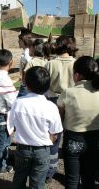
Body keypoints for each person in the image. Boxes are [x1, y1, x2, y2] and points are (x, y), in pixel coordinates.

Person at [10, 66, 63, 189]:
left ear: (26, 84)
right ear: (47, 85)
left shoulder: (18, 103)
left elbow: (12, 125)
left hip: (23, 149)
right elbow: (55, 132)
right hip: (42, 150)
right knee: (38, 183)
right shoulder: (51, 107)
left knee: (19, 178)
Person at [57, 56, 99, 189]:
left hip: (73, 139)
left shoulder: (68, 92)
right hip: (95, 140)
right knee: (89, 177)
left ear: (77, 75)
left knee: (72, 179)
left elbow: (60, 117)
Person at [45, 35, 78, 182]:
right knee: (70, 135)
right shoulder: (76, 63)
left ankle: (49, 172)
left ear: (57, 46)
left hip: (53, 101)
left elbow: (44, 84)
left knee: (53, 136)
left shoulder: (50, 63)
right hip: (72, 100)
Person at [17, 31, 32, 98]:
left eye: (19, 40)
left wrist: (23, 80)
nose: (18, 42)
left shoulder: (26, 54)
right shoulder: (28, 51)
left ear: (24, 41)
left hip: (25, 85)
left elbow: (28, 66)